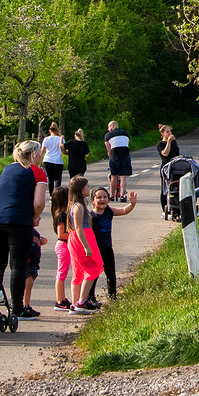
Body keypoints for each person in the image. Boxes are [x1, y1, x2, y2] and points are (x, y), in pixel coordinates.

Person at [0, 141, 47, 321]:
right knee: (18, 266)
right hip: (18, 222)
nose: (41, 156)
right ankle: (17, 308)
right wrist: (34, 217)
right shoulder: (38, 172)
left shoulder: (7, 169)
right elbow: (39, 202)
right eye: (40, 153)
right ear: (33, 154)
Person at [88, 185, 135, 300]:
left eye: (105, 197)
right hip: (95, 249)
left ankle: (112, 295)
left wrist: (132, 204)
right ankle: (90, 296)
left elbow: (124, 210)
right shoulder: (90, 216)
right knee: (94, 274)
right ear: (93, 201)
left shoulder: (109, 211)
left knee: (111, 273)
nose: (102, 200)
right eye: (99, 197)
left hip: (107, 248)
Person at [65, 174, 104, 311]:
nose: (89, 189)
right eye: (87, 187)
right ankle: (82, 301)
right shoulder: (78, 207)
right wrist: (86, 246)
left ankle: (75, 303)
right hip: (82, 238)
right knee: (92, 268)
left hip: (77, 238)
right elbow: (78, 227)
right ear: (81, 190)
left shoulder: (76, 205)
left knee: (78, 272)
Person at [104, 121, 132, 202]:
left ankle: (112, 195)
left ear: (112, 126)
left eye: (108, 127)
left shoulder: (108, 135)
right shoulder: (125, 133)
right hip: (125, 155)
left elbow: (108, 149)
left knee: (114, 176)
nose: (108, 129)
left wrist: (110, 159)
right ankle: (122, 195)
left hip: (115, 155)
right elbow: (127, 144)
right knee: (123, 176)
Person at [41, 122, 68, 195]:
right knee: (57, 179)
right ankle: (57, 195)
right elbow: (63, 150)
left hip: (47, 160)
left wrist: (39, 161)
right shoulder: (60, 139)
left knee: (50, 179)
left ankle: (51, 195)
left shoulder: (46, 139)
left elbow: (42, 150)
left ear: (49, 131)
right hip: (58, 161)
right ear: (56, 130)